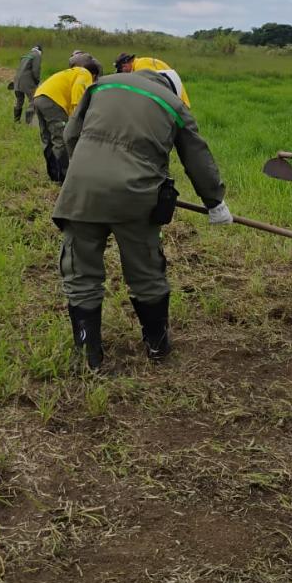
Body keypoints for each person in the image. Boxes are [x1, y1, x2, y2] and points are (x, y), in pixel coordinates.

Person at [52, 67, 232, 369]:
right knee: (146, 271)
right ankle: (157, 347)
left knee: (81, 271)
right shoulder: (174, 105)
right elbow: (197, 157)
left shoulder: (101, 86)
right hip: (135, 197)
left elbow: (71, 135)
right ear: (172, 88)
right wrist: (215, 202)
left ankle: (87, 354)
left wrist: (86, 173)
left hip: (81, 192)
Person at [33, 58, 101, 182]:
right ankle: (65, 178)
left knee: (47, 138)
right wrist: (78, 118)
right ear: (94, 75)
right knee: (61, 140)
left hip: (39, 96)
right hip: (53, 101)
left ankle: (54, 175)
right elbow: (78, 93)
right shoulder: (85, 74)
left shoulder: (72, 72)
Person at [114, 52, 191, 107]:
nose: (123, 71)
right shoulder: (139, 64)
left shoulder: (140, 66)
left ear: (128, 63)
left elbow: (147, 87)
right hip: (172, 91)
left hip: (176, 95)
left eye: (123, 68)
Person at [12, 44, 42, 124]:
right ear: (40, 51)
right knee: (34, 99)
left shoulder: (26, 55)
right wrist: (37, 81)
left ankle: (16, 121)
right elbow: (36, 70)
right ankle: (29, 122)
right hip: (27, 82)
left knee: (19, 100)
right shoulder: (37, 55)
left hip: (17, 81)